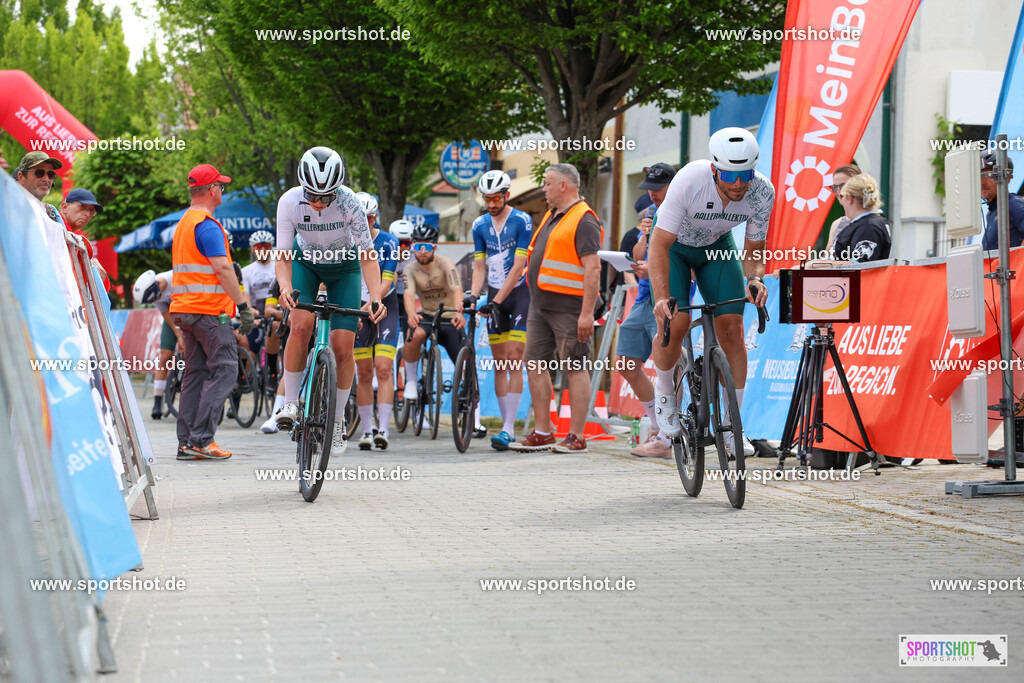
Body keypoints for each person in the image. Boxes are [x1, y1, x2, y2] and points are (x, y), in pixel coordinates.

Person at [648, 128, 773, 457]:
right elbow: (659, 244)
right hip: (674, 249)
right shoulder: (690, 180)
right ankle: (664, 392)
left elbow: (755, 247)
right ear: (715, 169)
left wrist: (755, 279)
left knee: (731, 329)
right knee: (675, 323)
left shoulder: (762, 192)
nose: (738, 183)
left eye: (745, 174)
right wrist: (662, 297)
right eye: (730, 175)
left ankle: (733, 426)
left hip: (717, 250)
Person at [273, 147, 387, 458]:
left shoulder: (349, 202)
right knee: (301, 325)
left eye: (327, 196)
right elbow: (282, 256)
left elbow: (367, 254)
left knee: (342, 346)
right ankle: (291, 403)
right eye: (313, 195)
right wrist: (284, 287)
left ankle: (336, 423)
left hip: (344, 269)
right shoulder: (289, 202)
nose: (320, 203)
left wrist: (374, 297)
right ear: (302, 186)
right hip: (305, 265)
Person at [511, 163, 603, 453]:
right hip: (541, 305)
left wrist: (587, 313)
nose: (544, 189)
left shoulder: (584, 219)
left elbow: (593, 269)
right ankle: (542, 431)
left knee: (575, 366)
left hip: (570, 308)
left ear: (564, 185)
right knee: (535, 363)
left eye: (548, 184)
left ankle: (576, 436)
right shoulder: (553, 215)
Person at [170, 163, 255, 461]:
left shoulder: (184, 223)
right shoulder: (207, 224)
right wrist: (243, 307)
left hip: (186, 312)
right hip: (208, 313)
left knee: (195, 374)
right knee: (226, 369)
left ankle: (186, 442)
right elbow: (222, 268)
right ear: (211, 190)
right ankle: (202, 440)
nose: (222, 190)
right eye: (220, 185)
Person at [469, 170, 533, 450]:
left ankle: (508, 428)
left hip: (519, 293)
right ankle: (505, 425)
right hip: (494, 294)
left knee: (514, 359)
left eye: (496, 198)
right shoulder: (479, 225)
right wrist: (473, 296)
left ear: (506, 195)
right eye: (487, 198)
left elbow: (519, 266)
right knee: (500, 363)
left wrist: (496, 301)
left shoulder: (522, 220)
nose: (492, 203)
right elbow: (479, 265)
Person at [618, 163, 677, 458]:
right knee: (626, 363)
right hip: (644, 299)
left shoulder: (682, 212)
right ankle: (658, 426)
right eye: (649, 190)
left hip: (671, 298)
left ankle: (668, 438)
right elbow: (639, 255)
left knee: (670, 368)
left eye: (657, 189)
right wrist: (643, 236)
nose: (652, 195)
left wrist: (652, 268)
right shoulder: (651, 215)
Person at [401, 224, 469, 412]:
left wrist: (458, 312)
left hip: (449, 317)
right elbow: (408, 294)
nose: (422, 252)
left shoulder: (445, 263)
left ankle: (475, 418)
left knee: (465, 362)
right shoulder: (410, 269)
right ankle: (412, 383)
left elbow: (457, 289)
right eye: (418, 247)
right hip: (428, 316)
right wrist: (411, 314)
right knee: (413, 335)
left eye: (428, 247)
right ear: (413, 248)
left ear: (435, 248)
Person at [353, 192, 401, 450]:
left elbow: (387, 281)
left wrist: (369, 304)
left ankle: (383, 429)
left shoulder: (389, 241)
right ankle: (366, 431)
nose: (365, 224)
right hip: (357, 307)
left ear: (375, 218)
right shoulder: (345, 243)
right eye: (360, 219)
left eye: (370, 219)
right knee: (363, 372)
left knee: (383, 367)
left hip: (384, 306)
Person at [134, 270, 184, 418]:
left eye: (157, 296)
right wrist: (178, 335)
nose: (158, 298)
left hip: (189, 313)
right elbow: (166, 314)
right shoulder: (152, 292)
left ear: (157, 286)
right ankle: (157, 402)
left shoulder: (175, 279)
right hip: (173, 318)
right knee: (165, 356)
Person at [241, 229, 281, 372]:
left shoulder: (278, 266)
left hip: (276, 310)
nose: (263, 249)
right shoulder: (246, 271)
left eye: (266, 246)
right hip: (257, 312)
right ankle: (243, 382)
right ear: (252, 248)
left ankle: (272, 373)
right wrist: (249, 311)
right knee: (251, 350)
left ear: (271, 247)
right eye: (258, 246)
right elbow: (245, 294)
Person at [832, 174, 891, 263]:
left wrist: (817, 265)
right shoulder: (869, 223)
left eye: (841, 196)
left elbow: (860, 265)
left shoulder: (869, 226)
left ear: (849, 198)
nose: (840, 201)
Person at [980, 152, 1024, 251]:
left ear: (1007, 178)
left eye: (989, 175)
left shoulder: (1013, 205)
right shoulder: (991, 213)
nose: (982, 182)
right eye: (979, 176)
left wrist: (1018, 262)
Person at [823, 164, 861, 254]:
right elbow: (826, 257)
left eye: (844, 186)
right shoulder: (837, 224)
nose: (839, 191)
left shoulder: (870, 222)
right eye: (834, 187)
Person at [14, 152, 62, 221]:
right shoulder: (6, 209)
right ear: (21, 177)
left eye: (50, 174)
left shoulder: (51, 212)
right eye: (39, 173)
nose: (46, 179)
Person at [390, 219, 415, 338]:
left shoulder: (417, 254)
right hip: (392, 294)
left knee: (409, 324)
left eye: (407, 244)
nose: (402, 247)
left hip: (409, 295)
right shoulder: (386, 251)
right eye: (399, 243)